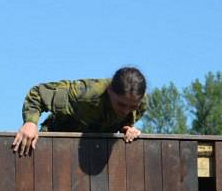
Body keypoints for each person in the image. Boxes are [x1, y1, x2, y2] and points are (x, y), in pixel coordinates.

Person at [11, 66, 148, 156]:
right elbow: (38, 94)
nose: (126, 111)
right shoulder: (85, 94)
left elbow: (122, 120)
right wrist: (30, 123)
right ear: (110, 91)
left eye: (132, 107)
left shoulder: (141, 104)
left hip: (93, 151)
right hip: (56, 144)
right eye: (121, 105)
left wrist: (127, 128)